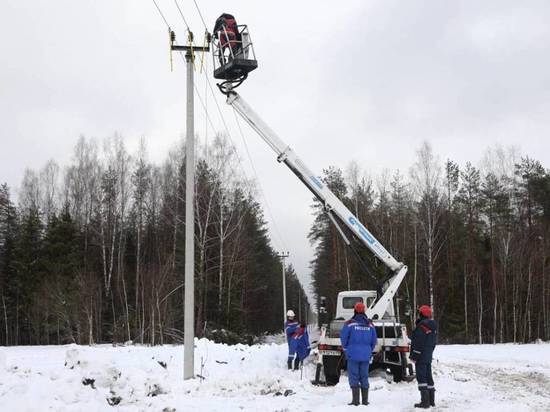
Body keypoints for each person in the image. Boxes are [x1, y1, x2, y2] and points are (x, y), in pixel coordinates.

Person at [340, 302, 377, 406]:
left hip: (352, 354)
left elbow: (343, 338)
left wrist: (346, 350)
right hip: (365, 355)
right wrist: (369, 350)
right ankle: (365, 401)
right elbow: (374, 340)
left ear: (355, 311)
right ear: (364, 311)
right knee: (364, 376)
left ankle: (355, 401)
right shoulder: (370, 325)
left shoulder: (349, 323)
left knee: (354, 376)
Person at [410, 305, 438, 409]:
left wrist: (414, 356)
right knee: (428, 377)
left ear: (421, 314)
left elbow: (418, 343)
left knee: (421, 378)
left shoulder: (421, 326)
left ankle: (425, 402)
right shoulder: (433, 326)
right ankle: (431, 401)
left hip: (421, 356)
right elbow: (433, 343)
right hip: (428, 355)